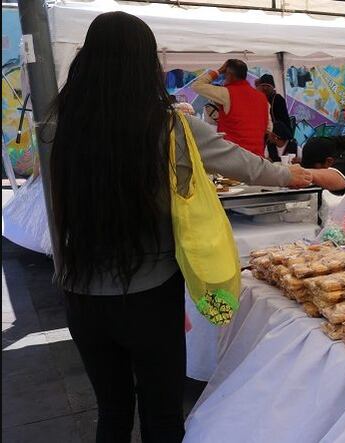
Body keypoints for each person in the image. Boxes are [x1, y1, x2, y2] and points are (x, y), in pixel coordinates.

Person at [48, 12, 312, 442]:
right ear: (144, 64)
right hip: (150, 294)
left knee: (111, 412)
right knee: (163, 414)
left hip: (80, 291)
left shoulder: (61, 127)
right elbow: (242, 164)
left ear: (87, 60)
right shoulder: (168, 126)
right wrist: (299, 175)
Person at [192, 59, 269, 157]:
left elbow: (196, 86)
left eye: (225, 75)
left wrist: (218, 71)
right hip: (258, 156)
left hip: (234, 156)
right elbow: (268, 127)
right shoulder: (262, 97)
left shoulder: (227, 93)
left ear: (229, 74)